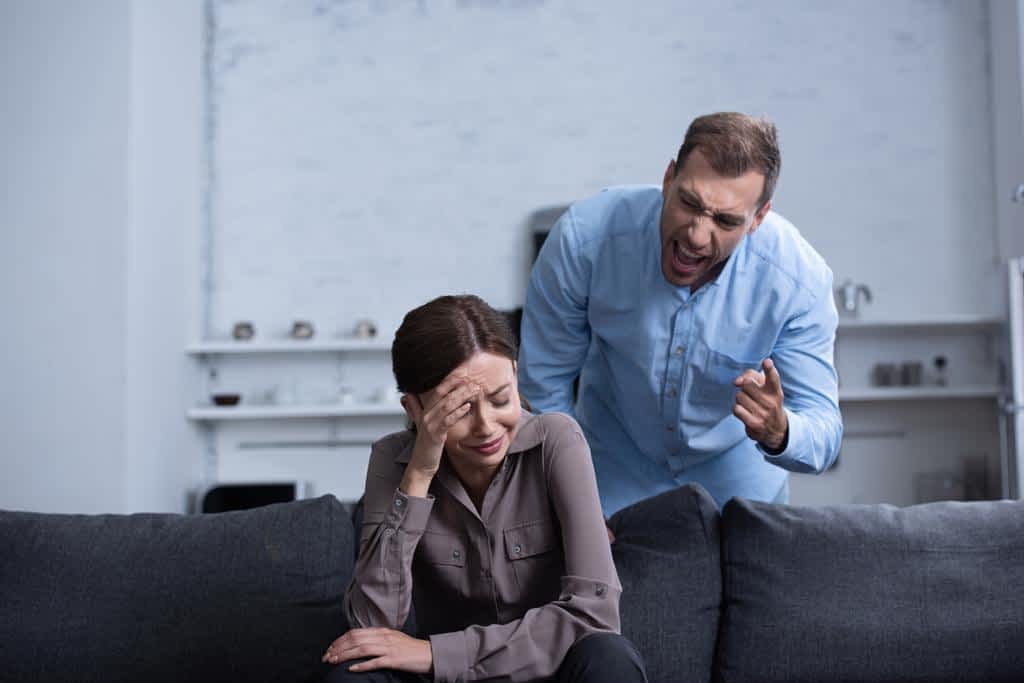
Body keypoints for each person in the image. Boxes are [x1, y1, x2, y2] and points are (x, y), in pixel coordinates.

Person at [519, 112, 842, 516]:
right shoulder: (585, 239)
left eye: (725, 221)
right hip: (610, 478)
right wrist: (571, 503)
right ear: (669, 178)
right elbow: (544, 389)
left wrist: (780, 432)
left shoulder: (799, 281)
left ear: (758, 218)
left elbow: (825, 434)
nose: (696, 236)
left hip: (742, 491)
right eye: (690, 203)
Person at [321, 295, 647, 683]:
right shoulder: (391, 458)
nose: (487, 426)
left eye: (500, 398)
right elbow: (372, 624)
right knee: (352, 674)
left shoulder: (557, 442)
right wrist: (419, 473)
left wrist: (437, 653)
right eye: (459, 411)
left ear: (514, 374)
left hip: (541, 670)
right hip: (444, 678)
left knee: (608, 656)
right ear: (415, 410)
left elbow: (595, 614)